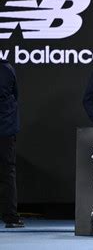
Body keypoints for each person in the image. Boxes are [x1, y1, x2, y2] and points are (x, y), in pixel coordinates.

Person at [0, 59, 24, 228]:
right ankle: (10, 217)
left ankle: (10, 215)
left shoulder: (6, 68)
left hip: (5, 128)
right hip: (6, 128)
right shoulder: (7, 69)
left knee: (8, 172)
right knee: (8, 172)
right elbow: (15, 95)